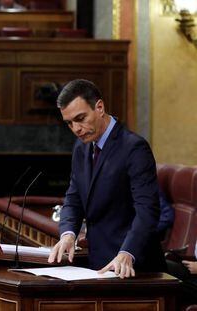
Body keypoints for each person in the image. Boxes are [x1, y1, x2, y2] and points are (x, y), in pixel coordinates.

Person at [47, 79, 165, 278]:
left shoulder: (134, 147)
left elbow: (147, 210)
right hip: (98, 265)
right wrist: (68, 234)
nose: (76, 129)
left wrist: (128, 253)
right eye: (69, 123)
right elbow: (74, 198)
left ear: (99, 107)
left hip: (136, 268)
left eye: (81, 118)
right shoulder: (81, 147)